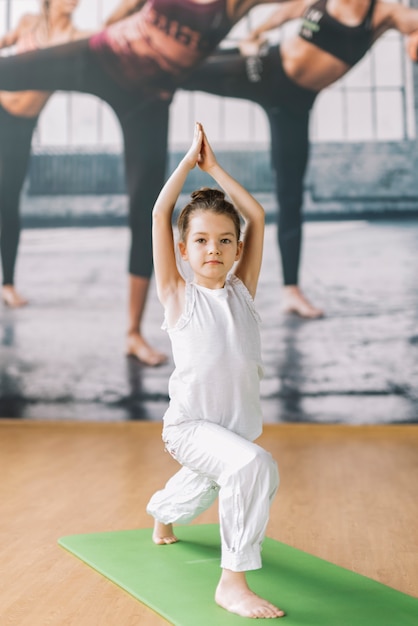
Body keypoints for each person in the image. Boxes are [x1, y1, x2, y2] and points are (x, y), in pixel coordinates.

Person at [0, 0, 283, 365]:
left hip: (149, 98)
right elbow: (120, 16)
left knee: (148, 212)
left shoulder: (231, 5)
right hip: (105, 58)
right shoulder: (35, 25)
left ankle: (133, 333)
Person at [182, 0, 418, 319]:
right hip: (263, 69)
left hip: (295, 104)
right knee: (182, 68)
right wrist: (258, 32)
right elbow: (284, 13)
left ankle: (290, 291)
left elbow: (412, 25)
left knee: (290, 194)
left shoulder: (382, 13)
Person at [146, 122, 284, 619]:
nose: (213, 250)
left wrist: (217, 169)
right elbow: (162, 213)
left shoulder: (242, 292)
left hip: (234, 430)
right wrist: (189, 165)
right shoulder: (178, 296)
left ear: (237, 250)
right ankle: (233, 583)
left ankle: (161, 515)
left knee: (202, 486)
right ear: (184, 250)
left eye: (225, 241)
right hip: (190, 428)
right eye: (201, 241)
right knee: (253, 468)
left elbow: (258, 216)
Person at [0, 0, 92, 308]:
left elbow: (106, 38)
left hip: (20, 126)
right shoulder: (28, 22)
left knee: (8, 200)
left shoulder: (76, 38)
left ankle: (8, 284)